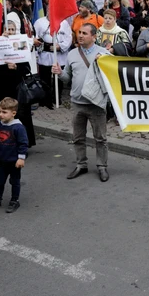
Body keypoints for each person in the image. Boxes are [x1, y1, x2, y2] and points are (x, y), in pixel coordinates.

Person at [52, 23, 111, 182]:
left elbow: (113, 78)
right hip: (77, 103)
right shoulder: (71, 54)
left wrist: (105, 62)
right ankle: (81, 164)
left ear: (93, 36)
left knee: (100, 138)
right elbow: (68, 78)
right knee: (78, 137)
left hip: (96, 104)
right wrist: (59, 73)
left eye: (84, 33)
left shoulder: (104, 54)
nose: (80, 35)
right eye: (79, 32)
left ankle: (102, 166)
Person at [0, 16, 36, 149]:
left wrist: (16, 67)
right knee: (1, 117)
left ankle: (22, 145)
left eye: (12, 29)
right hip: (0, 88)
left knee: (19, 116)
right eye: (7, 29)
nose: (9, 31)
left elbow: (26, 68)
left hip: (16, 89)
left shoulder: (21, 43)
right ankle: (1, 146)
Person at [34, 14, 73, 109]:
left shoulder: (64, 23)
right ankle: (45, 100)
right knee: (44, 79)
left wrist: (60, 46)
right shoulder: (39, 22)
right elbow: (35, 36)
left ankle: (57, 98)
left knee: (59, 78)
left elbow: (68, 38)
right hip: (45, 55)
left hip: (59, 55)